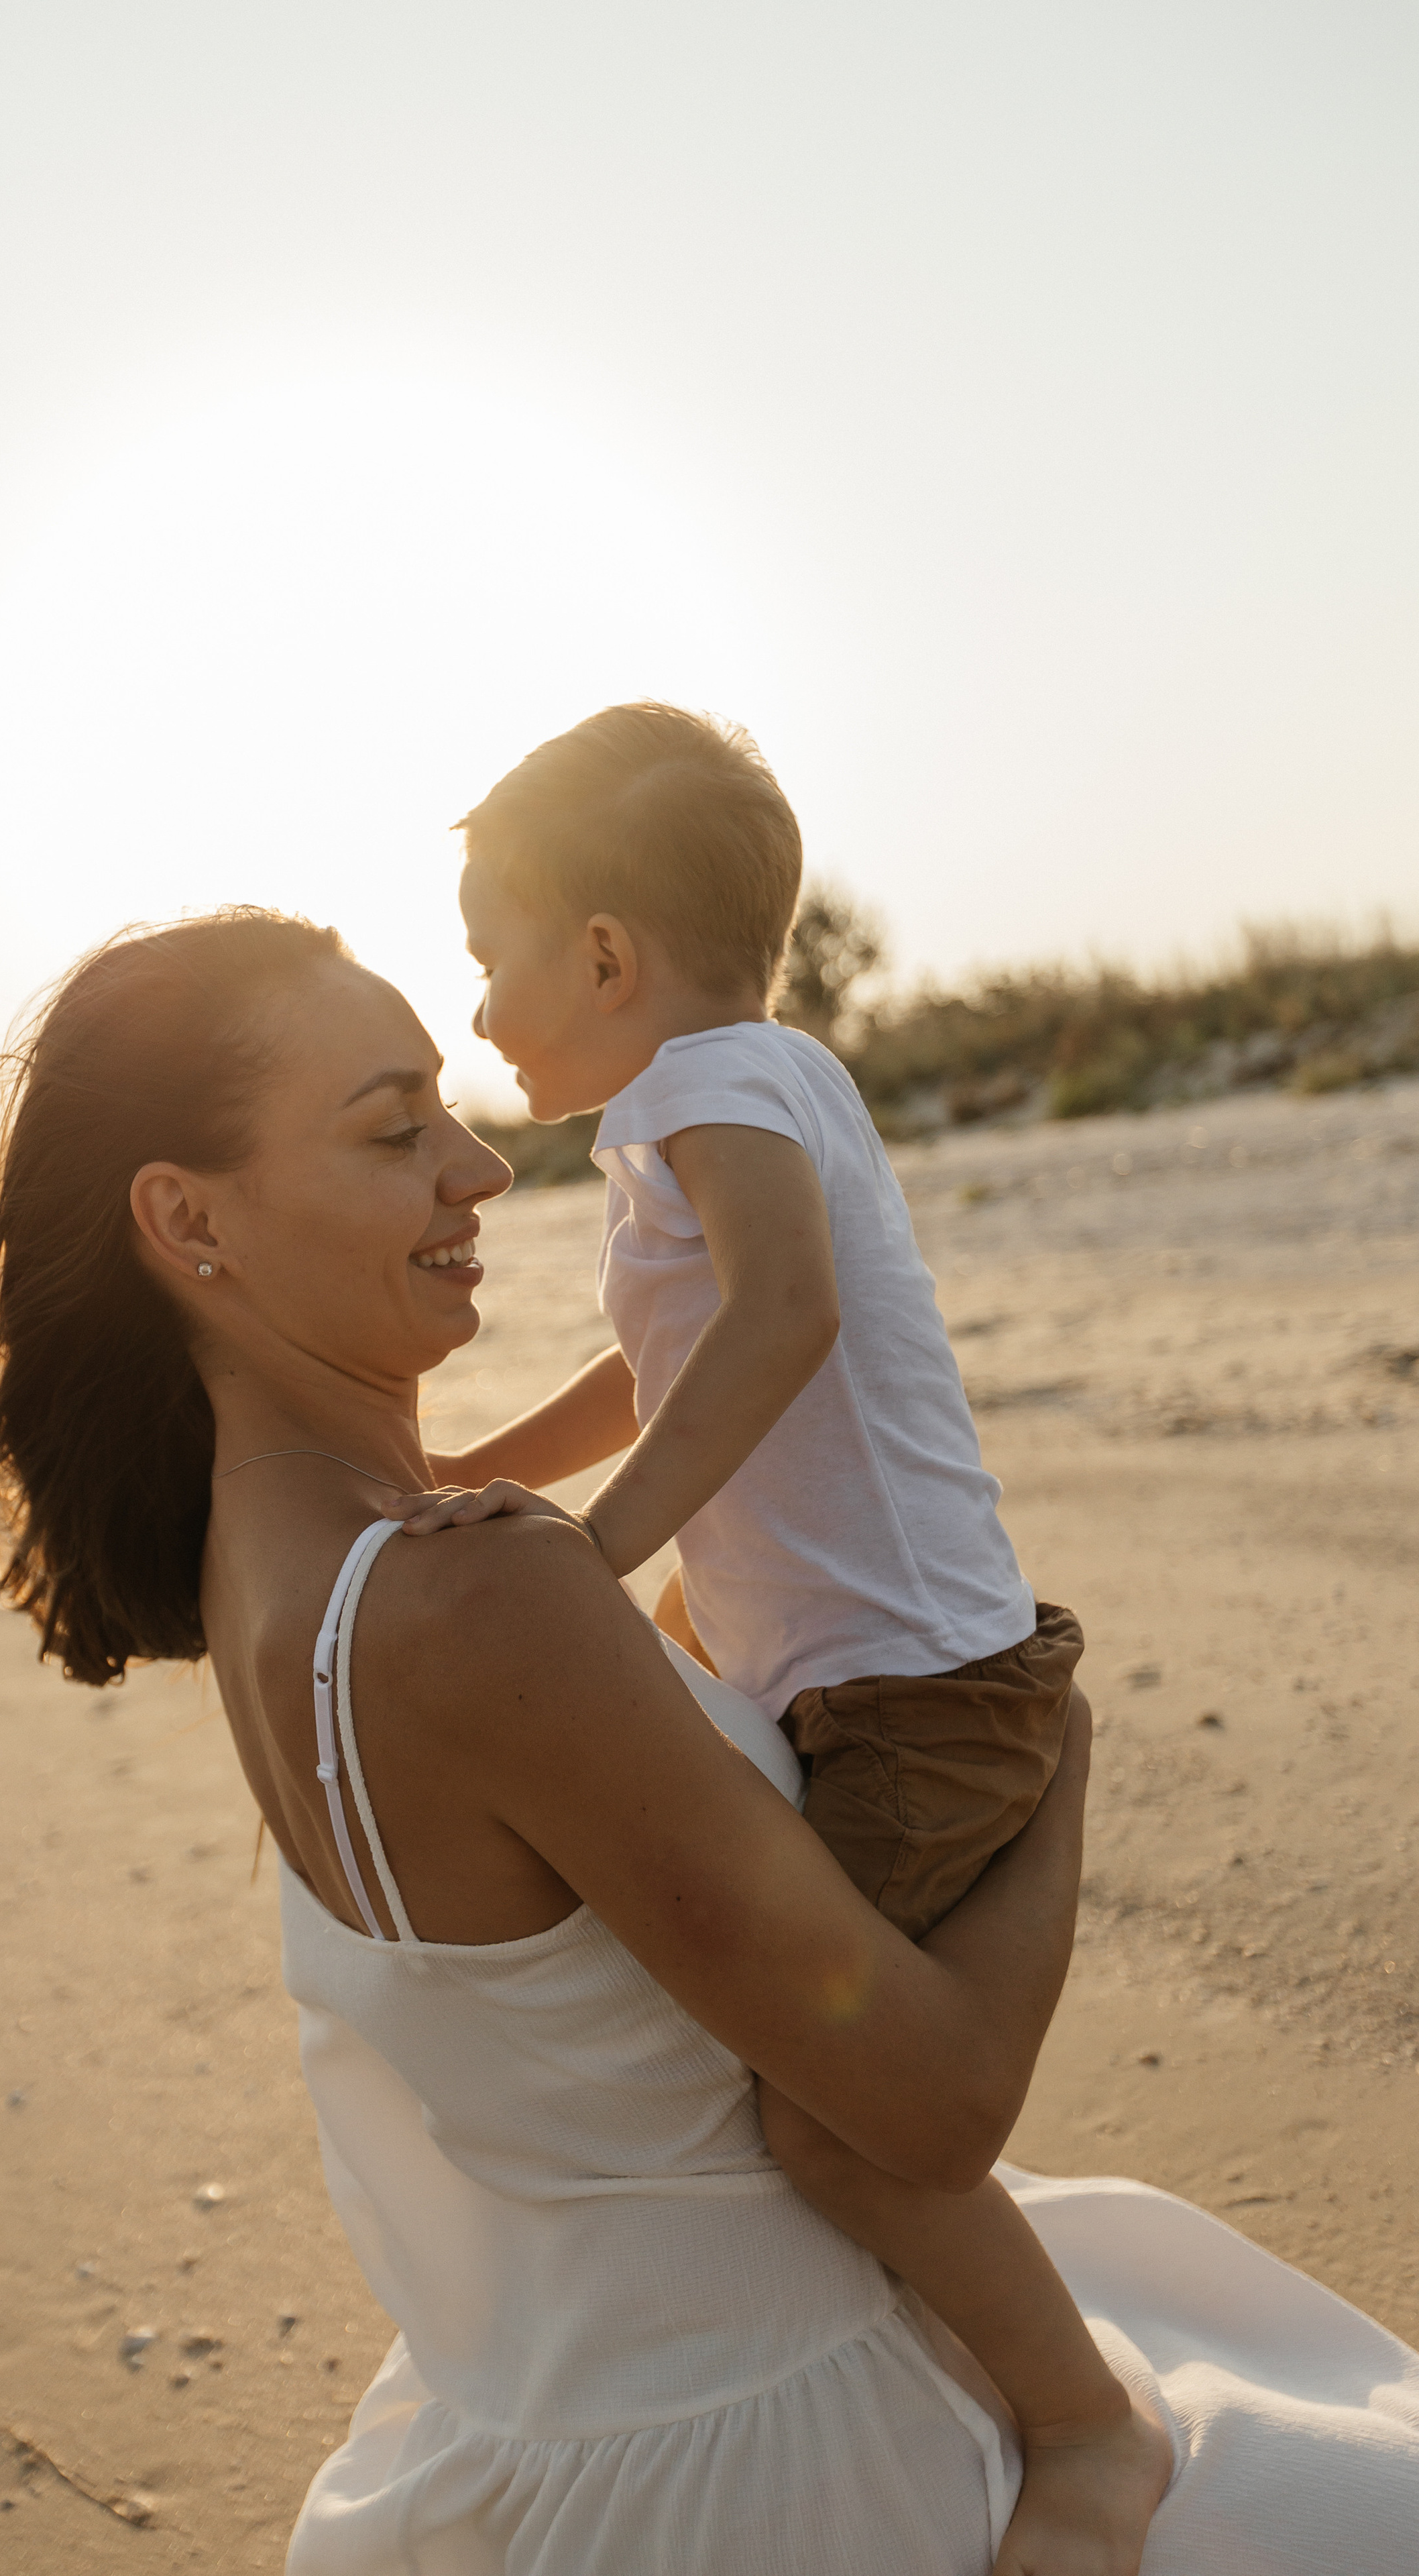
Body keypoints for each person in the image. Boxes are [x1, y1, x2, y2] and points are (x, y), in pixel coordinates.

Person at [0, 905, 1419, 2575]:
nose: (480, 1167)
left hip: (556, 2425)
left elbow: (572, 1897)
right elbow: (926, 2112)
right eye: (392, 1128)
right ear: (186, 1218)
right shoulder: (475, 1598)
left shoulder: (275, 1570)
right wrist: (1057, 1749)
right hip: (809, 2467)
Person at [396, 700, 1156, 2564]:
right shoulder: (750, 1081)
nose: (478, 1010)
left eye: (489, 956)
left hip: (912, 1696)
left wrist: (603, 1548)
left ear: (603, 955)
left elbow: (785, 1314)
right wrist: (460, 1471)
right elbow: (656, 1355)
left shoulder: (691, 1096)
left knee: (840, 2124)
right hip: (890, 1662)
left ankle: (1083, 2427)